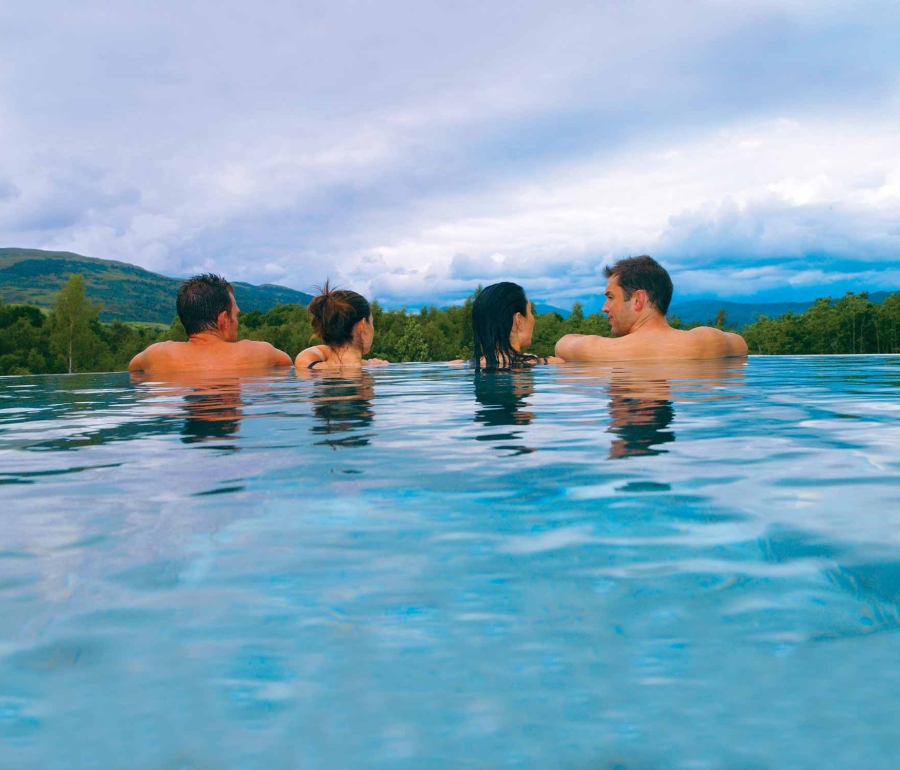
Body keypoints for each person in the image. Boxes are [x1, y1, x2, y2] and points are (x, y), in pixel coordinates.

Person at [555, 256, 748, 361]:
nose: (605, 308)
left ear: (638, 299)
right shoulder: (708, 341)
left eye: (611, 297)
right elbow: (741, 344)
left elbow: (563, 345)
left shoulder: (606, 350)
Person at [128, 274, 292, 373]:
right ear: (223, 320)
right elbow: (287, 365)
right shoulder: (261, 352)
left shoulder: (155, 355)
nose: (236, 322)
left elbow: (133, 369)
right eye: (235, 316)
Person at [454, 281, 564, 370]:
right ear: (518, 320)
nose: (533, 318)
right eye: (531, 312)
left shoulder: (458, 365)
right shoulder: (553, 364)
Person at [295, 282, 388, 369]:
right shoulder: (376, 371)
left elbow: (311, 353)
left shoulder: (308, 368)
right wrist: (368, 364)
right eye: (371, 322)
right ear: (362, 325)